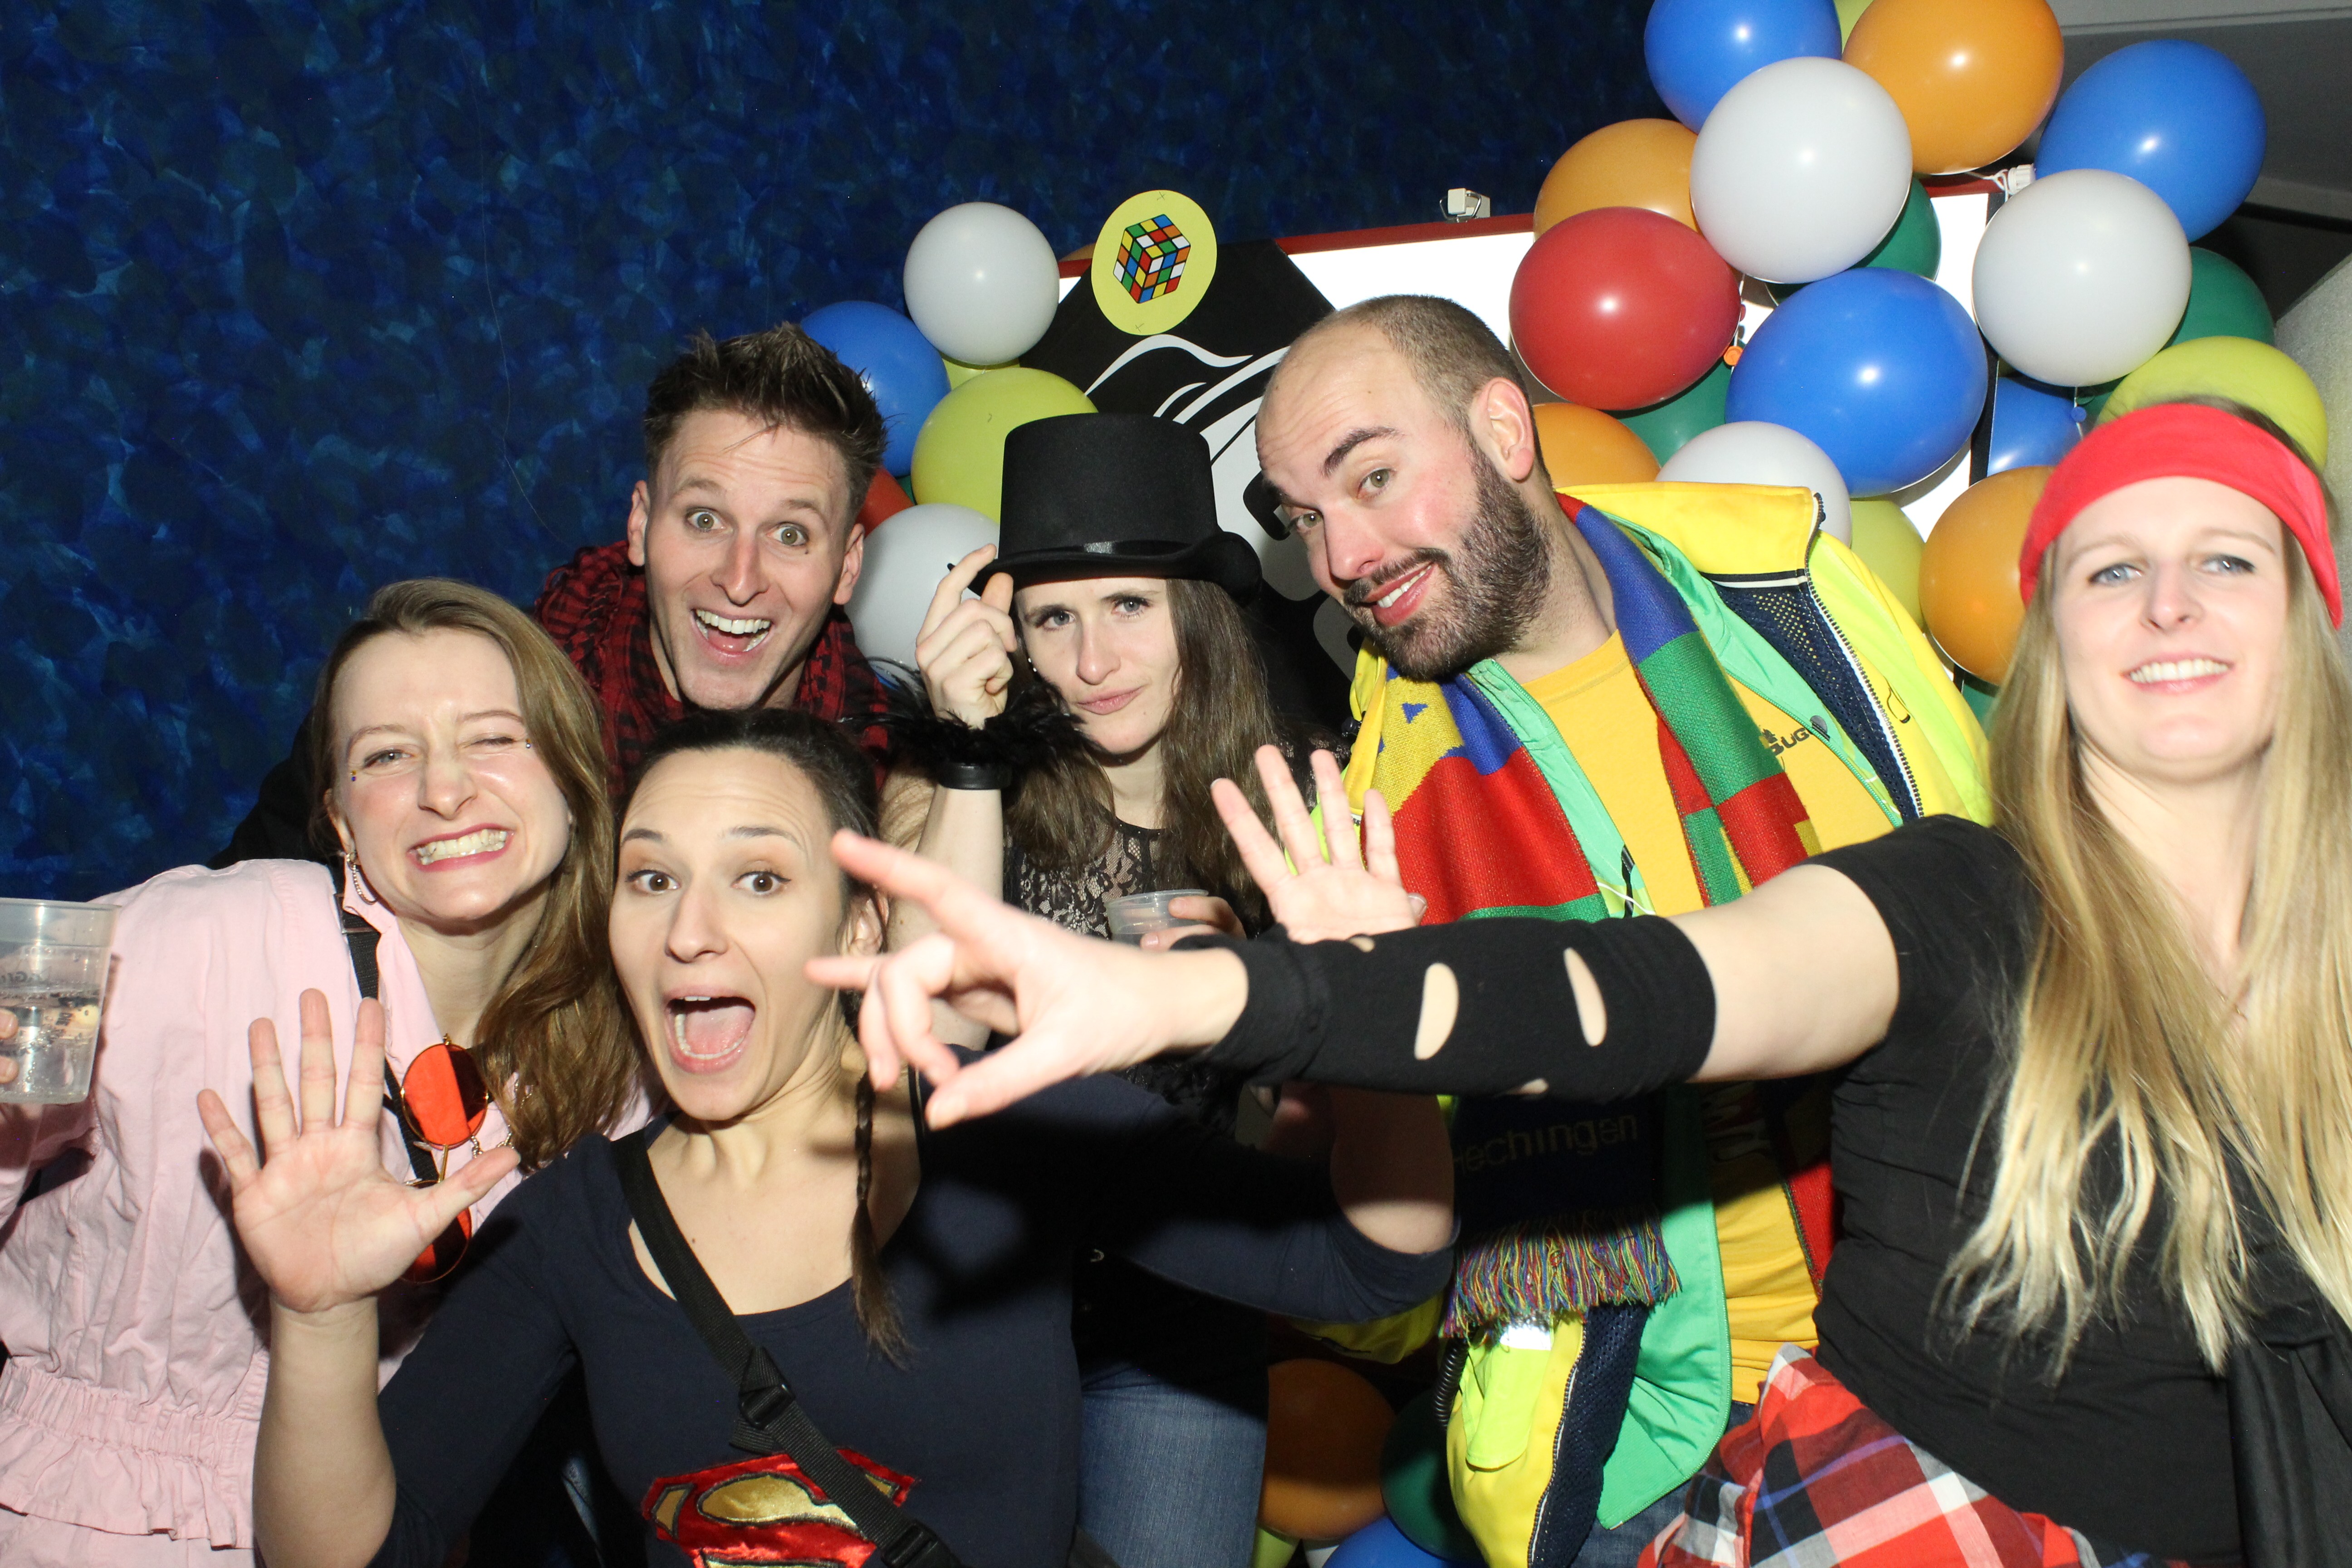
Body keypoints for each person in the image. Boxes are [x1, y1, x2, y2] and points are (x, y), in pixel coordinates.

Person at [818, 400, 2352, 1565]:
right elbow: (1634, 989)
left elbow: (1382, 1181)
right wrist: (1206, 980)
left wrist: (1261, 1012)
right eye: (2110, 569)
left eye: (2225, 559)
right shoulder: (1962, 901)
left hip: (1210, 1307)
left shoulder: (1312, 786)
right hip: (989, 1288)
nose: (2166, 605)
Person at [205, 706, 1454, 1568]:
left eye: (758, 878)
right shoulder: (570, 1225)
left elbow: (1371, 1267)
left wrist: (1369, 1016)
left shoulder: (1000, 1122)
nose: (690, 930)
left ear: (859, 930)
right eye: (651, 878)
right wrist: (318, 1319)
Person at [1233, 294, 1992, 1564]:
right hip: (1642, 1443)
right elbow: (1376, 1298)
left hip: (1960, 1336)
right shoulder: (1372, 813)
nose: (1342, 556)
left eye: (1371, 478)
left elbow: (1985, 881)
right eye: (1305, 518)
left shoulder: (1787, 601)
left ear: (1503, 431)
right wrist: (1342, 1035)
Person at [0, 578, 642, 1565]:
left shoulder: (617, 1077)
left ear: (573, 776)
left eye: (493, 738)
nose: (444, 790)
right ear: (341, 820)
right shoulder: (201, 936)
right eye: (387, 755)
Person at [888, 412, 1359, 1567]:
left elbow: (1312, 1164)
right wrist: (968, 754)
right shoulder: (955, 794)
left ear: (1197, 615)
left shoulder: (1294, 815)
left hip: (1181, 1325)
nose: (1091, 663)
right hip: (974, 1308)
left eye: (1129, 607)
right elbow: (924, 1037)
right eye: (1054, 619)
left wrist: (1257, 1014)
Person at [214, 321, 897, 862]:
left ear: (846, 568)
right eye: (703, 519)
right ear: (640, 525)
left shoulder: (893, 790)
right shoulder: (452, 704)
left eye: (790, 535)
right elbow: (236, 920)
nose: (739, 580)